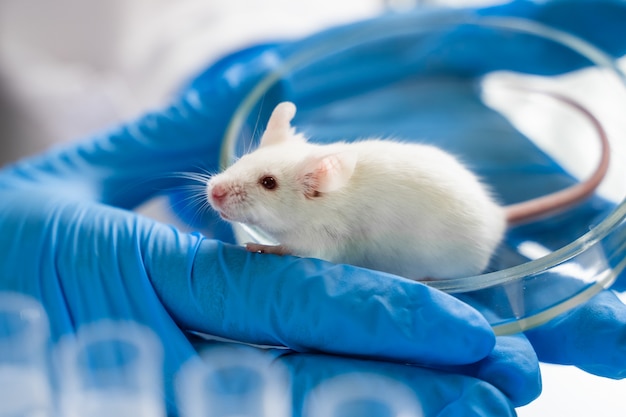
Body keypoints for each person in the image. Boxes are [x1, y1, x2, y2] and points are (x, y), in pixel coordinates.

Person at [1, 1, 625, 415]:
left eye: (265, 185)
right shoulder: (307, 179)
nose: (223, 189)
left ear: (318, 184)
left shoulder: (325, 199)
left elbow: (328, 245)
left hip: (452, 245)